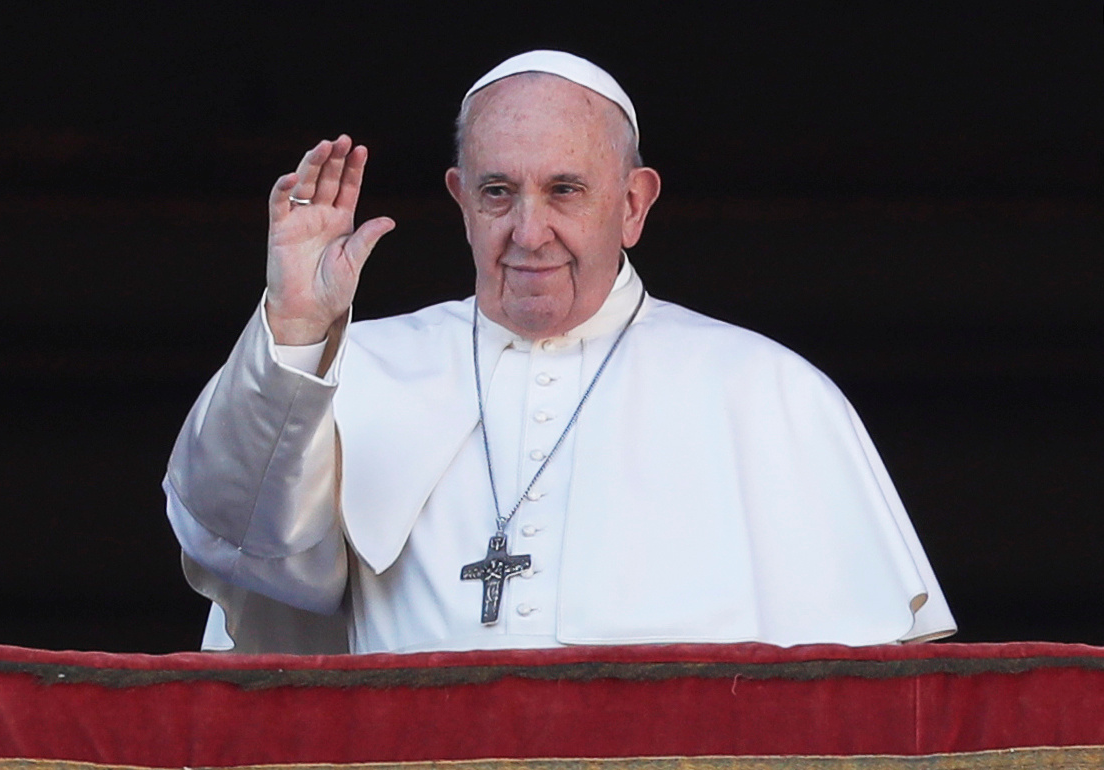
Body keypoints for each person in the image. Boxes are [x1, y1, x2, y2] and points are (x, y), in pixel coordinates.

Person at [164, 50, 956, 654]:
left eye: (565, 191)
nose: (528, 232)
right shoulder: (355, 370)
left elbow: (872, 712)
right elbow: (231, 542)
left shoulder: (767, 391)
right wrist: (296, 323)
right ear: (460, 202)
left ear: (633, 203)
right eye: (498, 192)